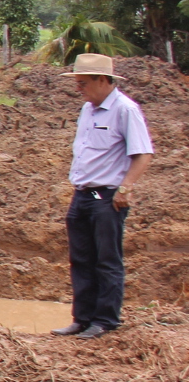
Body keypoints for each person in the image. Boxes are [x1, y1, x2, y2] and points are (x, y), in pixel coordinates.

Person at [53, 54, 153, 340]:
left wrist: (125, 188)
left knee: (107, 260)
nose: (79, 88)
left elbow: (143, 154)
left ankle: (105, 320)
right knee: (81, 259)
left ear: (102, 80)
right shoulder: (87, 109)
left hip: (107, 197)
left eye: (83, 83)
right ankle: (81, 319)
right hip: (82, 194)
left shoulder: (125, 110)